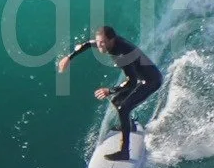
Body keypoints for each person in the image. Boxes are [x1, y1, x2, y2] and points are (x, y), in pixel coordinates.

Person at [58, 25, 162, 161]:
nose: (99, 46)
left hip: (151, 81)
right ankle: (129, 126)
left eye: (102, 43)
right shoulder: (107, 43)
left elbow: (132, 82)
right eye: (98, 42)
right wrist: (69, 57)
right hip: (140, 77)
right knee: (117, 101)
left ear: (112, 40)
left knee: (123, 108)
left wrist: (109, 90)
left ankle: (124, 152)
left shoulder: (122, 54)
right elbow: (88, 44)